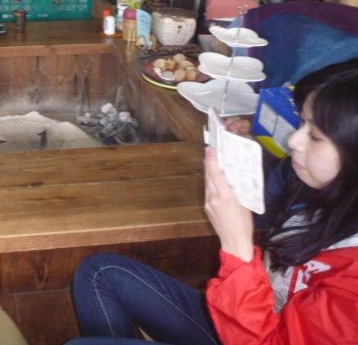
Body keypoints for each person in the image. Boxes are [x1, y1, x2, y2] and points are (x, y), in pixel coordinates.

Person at [66, 58, 358, 344]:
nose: (294, 140)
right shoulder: (323, 186)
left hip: (255, 333)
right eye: (302, 123)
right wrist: (246, 156)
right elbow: (268, 196)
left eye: (315, 136)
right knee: (100, 272)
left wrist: (237, 247)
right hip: (246, 318)